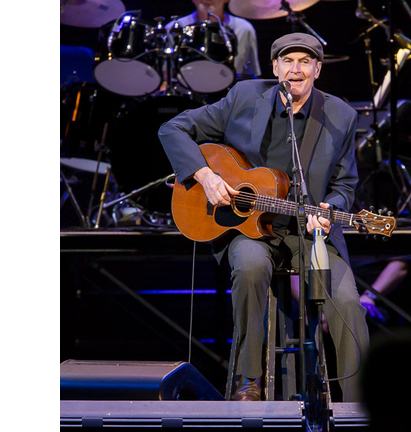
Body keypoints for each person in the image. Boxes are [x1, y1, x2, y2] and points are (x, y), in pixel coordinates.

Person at [157, 32, 369, 402]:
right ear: (275, 68)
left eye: (305, 62)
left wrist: (329, 209)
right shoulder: (243, 97)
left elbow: (345, 183)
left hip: (311, 236)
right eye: (288, 61)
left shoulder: (341, 116)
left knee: (347, 300)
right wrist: (205, 176)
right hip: (250, 232)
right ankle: (248, 381)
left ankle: (359, 401)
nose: (295, 69)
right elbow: (172, 128)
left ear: (318, 70)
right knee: (251, 268)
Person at [167, 0, 262, 78]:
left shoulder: (244, 29)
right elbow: (166, 77)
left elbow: (251, 75)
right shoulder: (173, 28)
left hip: (231, 96)